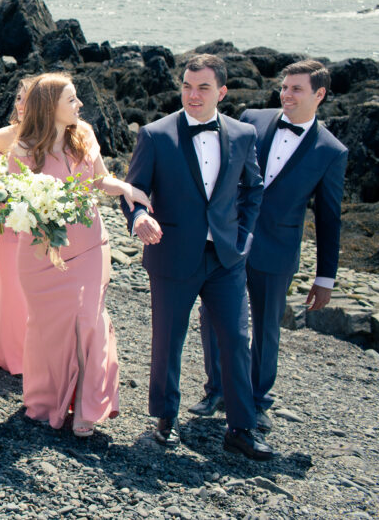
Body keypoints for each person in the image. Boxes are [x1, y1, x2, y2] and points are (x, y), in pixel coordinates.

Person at [122, 54, 273, 460]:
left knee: (237, 341)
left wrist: (243, 238)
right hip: (171, 255)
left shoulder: (243, 134)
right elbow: (132, 190)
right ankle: (165, 419)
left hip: (226, 257)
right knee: (169, 340)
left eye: (203, 87)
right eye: (187, 86)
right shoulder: (155, 135)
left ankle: (241, 427)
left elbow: (253, 190)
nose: (193, 94)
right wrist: (138, 218)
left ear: (221, 91)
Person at [191, 60, 347, 433]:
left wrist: (325, 276)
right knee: (213, 315)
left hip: (277, 249)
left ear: (319, 94)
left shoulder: (332, 151)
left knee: (264, 328)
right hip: (227, 239)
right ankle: (216, 389)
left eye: (297, 89)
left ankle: (257, 399)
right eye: (285, 86)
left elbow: (329, 217)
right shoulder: (251, 118)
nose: (286, 94)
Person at [9, 73, 148, 436]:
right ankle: (46, 401)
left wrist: (127, 188)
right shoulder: (23, 149)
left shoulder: (84, 134)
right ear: (49, 105)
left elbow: (99, 179)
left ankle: (88, 406)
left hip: (89, 245)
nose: (79, 105)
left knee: (89, 320)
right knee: (48, 329)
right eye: (71, 99)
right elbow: (15, 203)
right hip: (42, 253)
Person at [0, 77, 35, 375]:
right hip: (7, 225)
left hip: (38, 225)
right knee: (11, 285)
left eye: (29, 99)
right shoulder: (2, 137)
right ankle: (12, 356)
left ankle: (32, 352)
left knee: (34, 289)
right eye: (19, 98)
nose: (21, 104)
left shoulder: (52, 138)